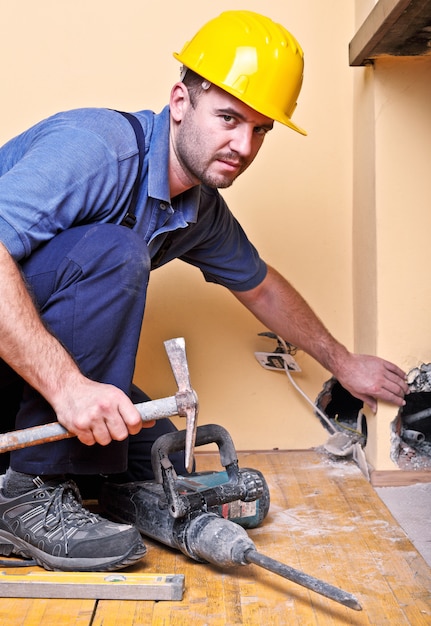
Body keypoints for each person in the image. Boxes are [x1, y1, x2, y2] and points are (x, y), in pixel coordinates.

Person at [0, 10, 408, 572]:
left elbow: (261, 286)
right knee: (117, 253)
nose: (243, 145)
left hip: (24, 366)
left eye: (260, 129)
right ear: (179, 102)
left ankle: (69, 487)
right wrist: (69, 388)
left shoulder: (197, 211)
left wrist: (344, 362)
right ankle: (24, 495)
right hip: (18, 358)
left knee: (171, 465)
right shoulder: (96, 149)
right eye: (228, 118)